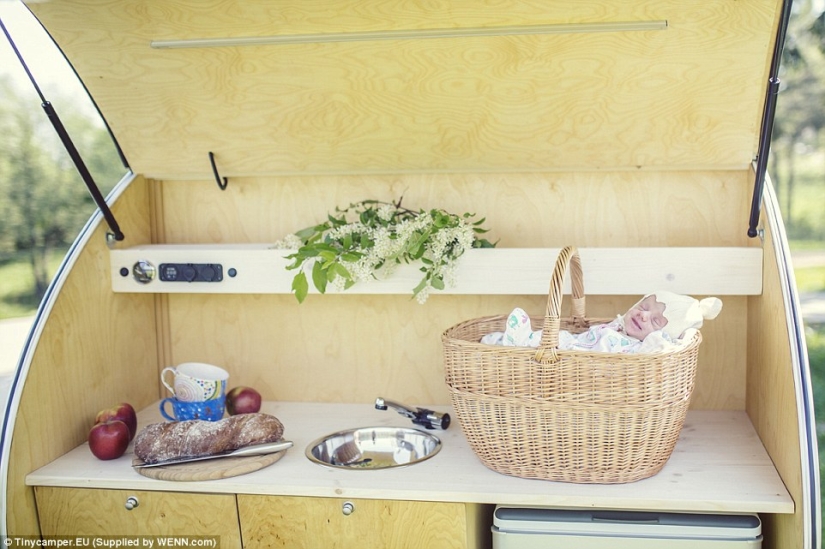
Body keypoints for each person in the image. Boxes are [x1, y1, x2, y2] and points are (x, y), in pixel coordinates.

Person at [480, 290, 723, 354]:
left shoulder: (642, 349)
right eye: (643, 306)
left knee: (548, 344)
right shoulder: (619, 326)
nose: (643, 315)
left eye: (656, 320)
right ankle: (501, 342)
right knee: (555, 337)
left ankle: (519, 342)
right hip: (572, 343)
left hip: (575, 361)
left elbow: (664, 348)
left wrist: (684, 335)